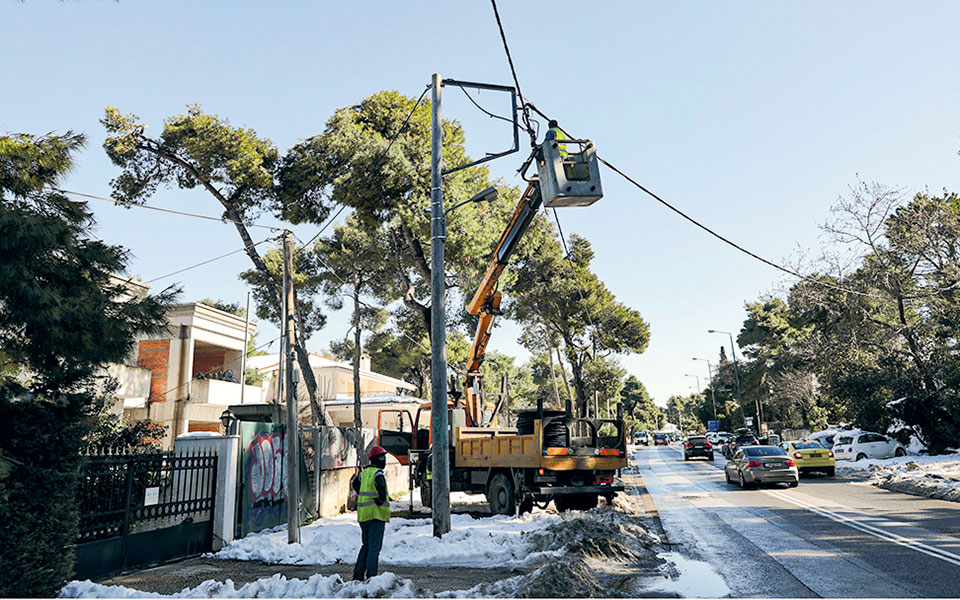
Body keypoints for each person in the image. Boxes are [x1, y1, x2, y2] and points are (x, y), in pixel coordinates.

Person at [352, 445, 390, 581]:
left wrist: (362, 495)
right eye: (383, 457)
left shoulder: (364, 473)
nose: (384, 460)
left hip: (364, 516)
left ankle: (358, 574)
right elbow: (381, 486)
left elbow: (354, 484)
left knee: (366, 545)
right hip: (376, 515)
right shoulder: (378, 474)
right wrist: (380, 499)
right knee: (374, 547)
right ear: (378, 459)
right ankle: (372, 576)